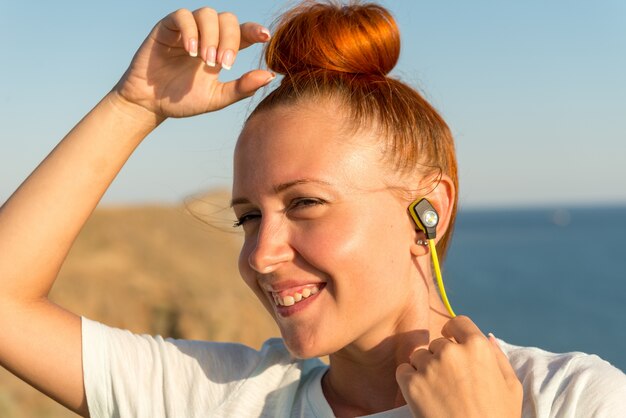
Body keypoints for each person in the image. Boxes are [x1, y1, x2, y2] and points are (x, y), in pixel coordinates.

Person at [0, 2, 624, 417]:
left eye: (305, 203)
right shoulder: (227, 400)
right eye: (248, 216)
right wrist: (133, 106)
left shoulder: (573, 400)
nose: (261, 255)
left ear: (426, 210)